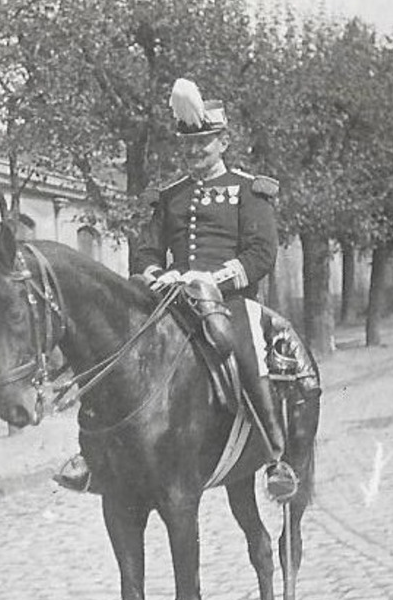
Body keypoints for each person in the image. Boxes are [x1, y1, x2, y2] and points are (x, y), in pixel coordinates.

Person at [55, 77, 298, 502]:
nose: (196, 152)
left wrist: (214, 278)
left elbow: (261, 254)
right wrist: (155, 274)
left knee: (241, 345)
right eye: (189, 145)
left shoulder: (249, 190)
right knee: (115, 350)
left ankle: (276, 454)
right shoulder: (169, 196)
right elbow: (146, 251)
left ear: (224, 142)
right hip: (172, 297)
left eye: (205, 143)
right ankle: (92, 455)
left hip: (229, 300)